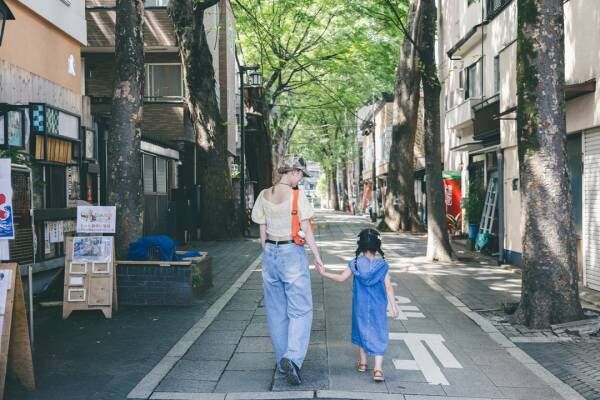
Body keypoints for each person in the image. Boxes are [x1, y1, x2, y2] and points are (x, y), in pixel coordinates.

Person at [251, 156, 324, 385]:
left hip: (270, 254)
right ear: (293, 172)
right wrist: (318, 257)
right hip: (291, 253)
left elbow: (261, 230)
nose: (301, 179)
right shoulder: (297, 196)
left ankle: (282, 358)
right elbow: (307, 231)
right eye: (301, 174)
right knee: (301, 309)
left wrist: (267, 251)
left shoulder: (264, 194)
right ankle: (292, 359)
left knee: (276, 310)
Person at [317, 228, 398, 382]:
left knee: (362, 329)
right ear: (377, 246)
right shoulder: (382, 266)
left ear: (360, 246)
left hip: (360, 305)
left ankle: (363, 363)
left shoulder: (355, 263)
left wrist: (324, 273)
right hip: (378, 306)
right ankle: (378, 370)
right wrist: (394, 306)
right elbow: (388, 286)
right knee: (379, 332)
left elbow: (341, 278)